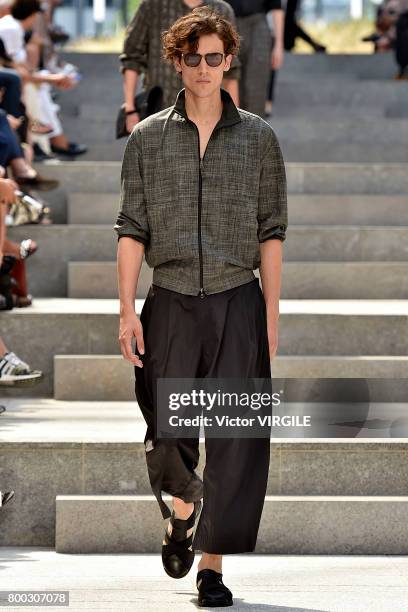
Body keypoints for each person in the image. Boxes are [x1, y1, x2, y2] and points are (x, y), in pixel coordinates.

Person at [114, 6, 287, 607]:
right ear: (178, 62)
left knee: (237, 439)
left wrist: (270, 314)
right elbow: (132, 226)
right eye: (194, 59)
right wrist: (127, 309)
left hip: (239, 299)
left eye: (216, 58)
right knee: (167, 432)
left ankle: (211, 568)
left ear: (229, 60)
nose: (206, 69)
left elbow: (272, 231)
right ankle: (183, 507)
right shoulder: (147, 138)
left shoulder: (261, 138)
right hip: (172, 300)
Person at [120, 0, 241, 135]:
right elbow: (131, 57)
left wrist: (234, 118)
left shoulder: (222, 9)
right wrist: (130, 109)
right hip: (158, 108)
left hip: (209, 117)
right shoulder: (152, 6)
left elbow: (232, 71)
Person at [225, 0, 284, 117]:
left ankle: (255, 132)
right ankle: (231, 130)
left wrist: (279, 45)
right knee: (229, 79)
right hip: (226, 23)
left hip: (257, 25)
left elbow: (276, 8)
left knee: (256, 86)